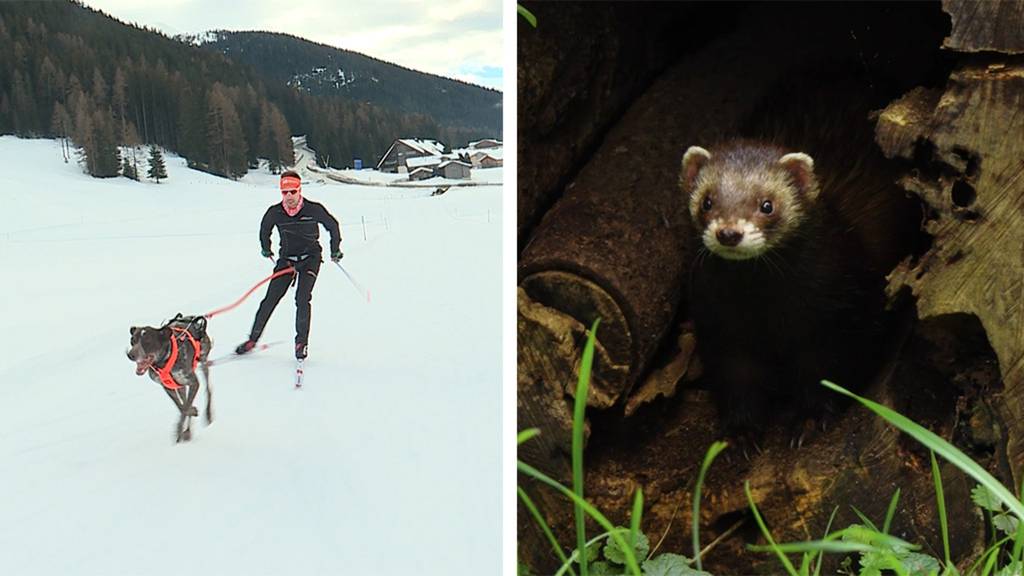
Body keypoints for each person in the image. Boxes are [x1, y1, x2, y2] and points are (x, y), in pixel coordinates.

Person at [235, 170, 343, 360]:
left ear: (299, 190)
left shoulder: (313, 209)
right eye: (285, 192)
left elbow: (332, 226)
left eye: (293, 191)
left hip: (310, 258)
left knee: (302, 299)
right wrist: (265, 248)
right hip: (287, 260)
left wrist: (335, 249)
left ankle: (301, 343)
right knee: (269, 300)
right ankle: (252, 339)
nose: (289, 197)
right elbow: (264, 230)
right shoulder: (275, 212)